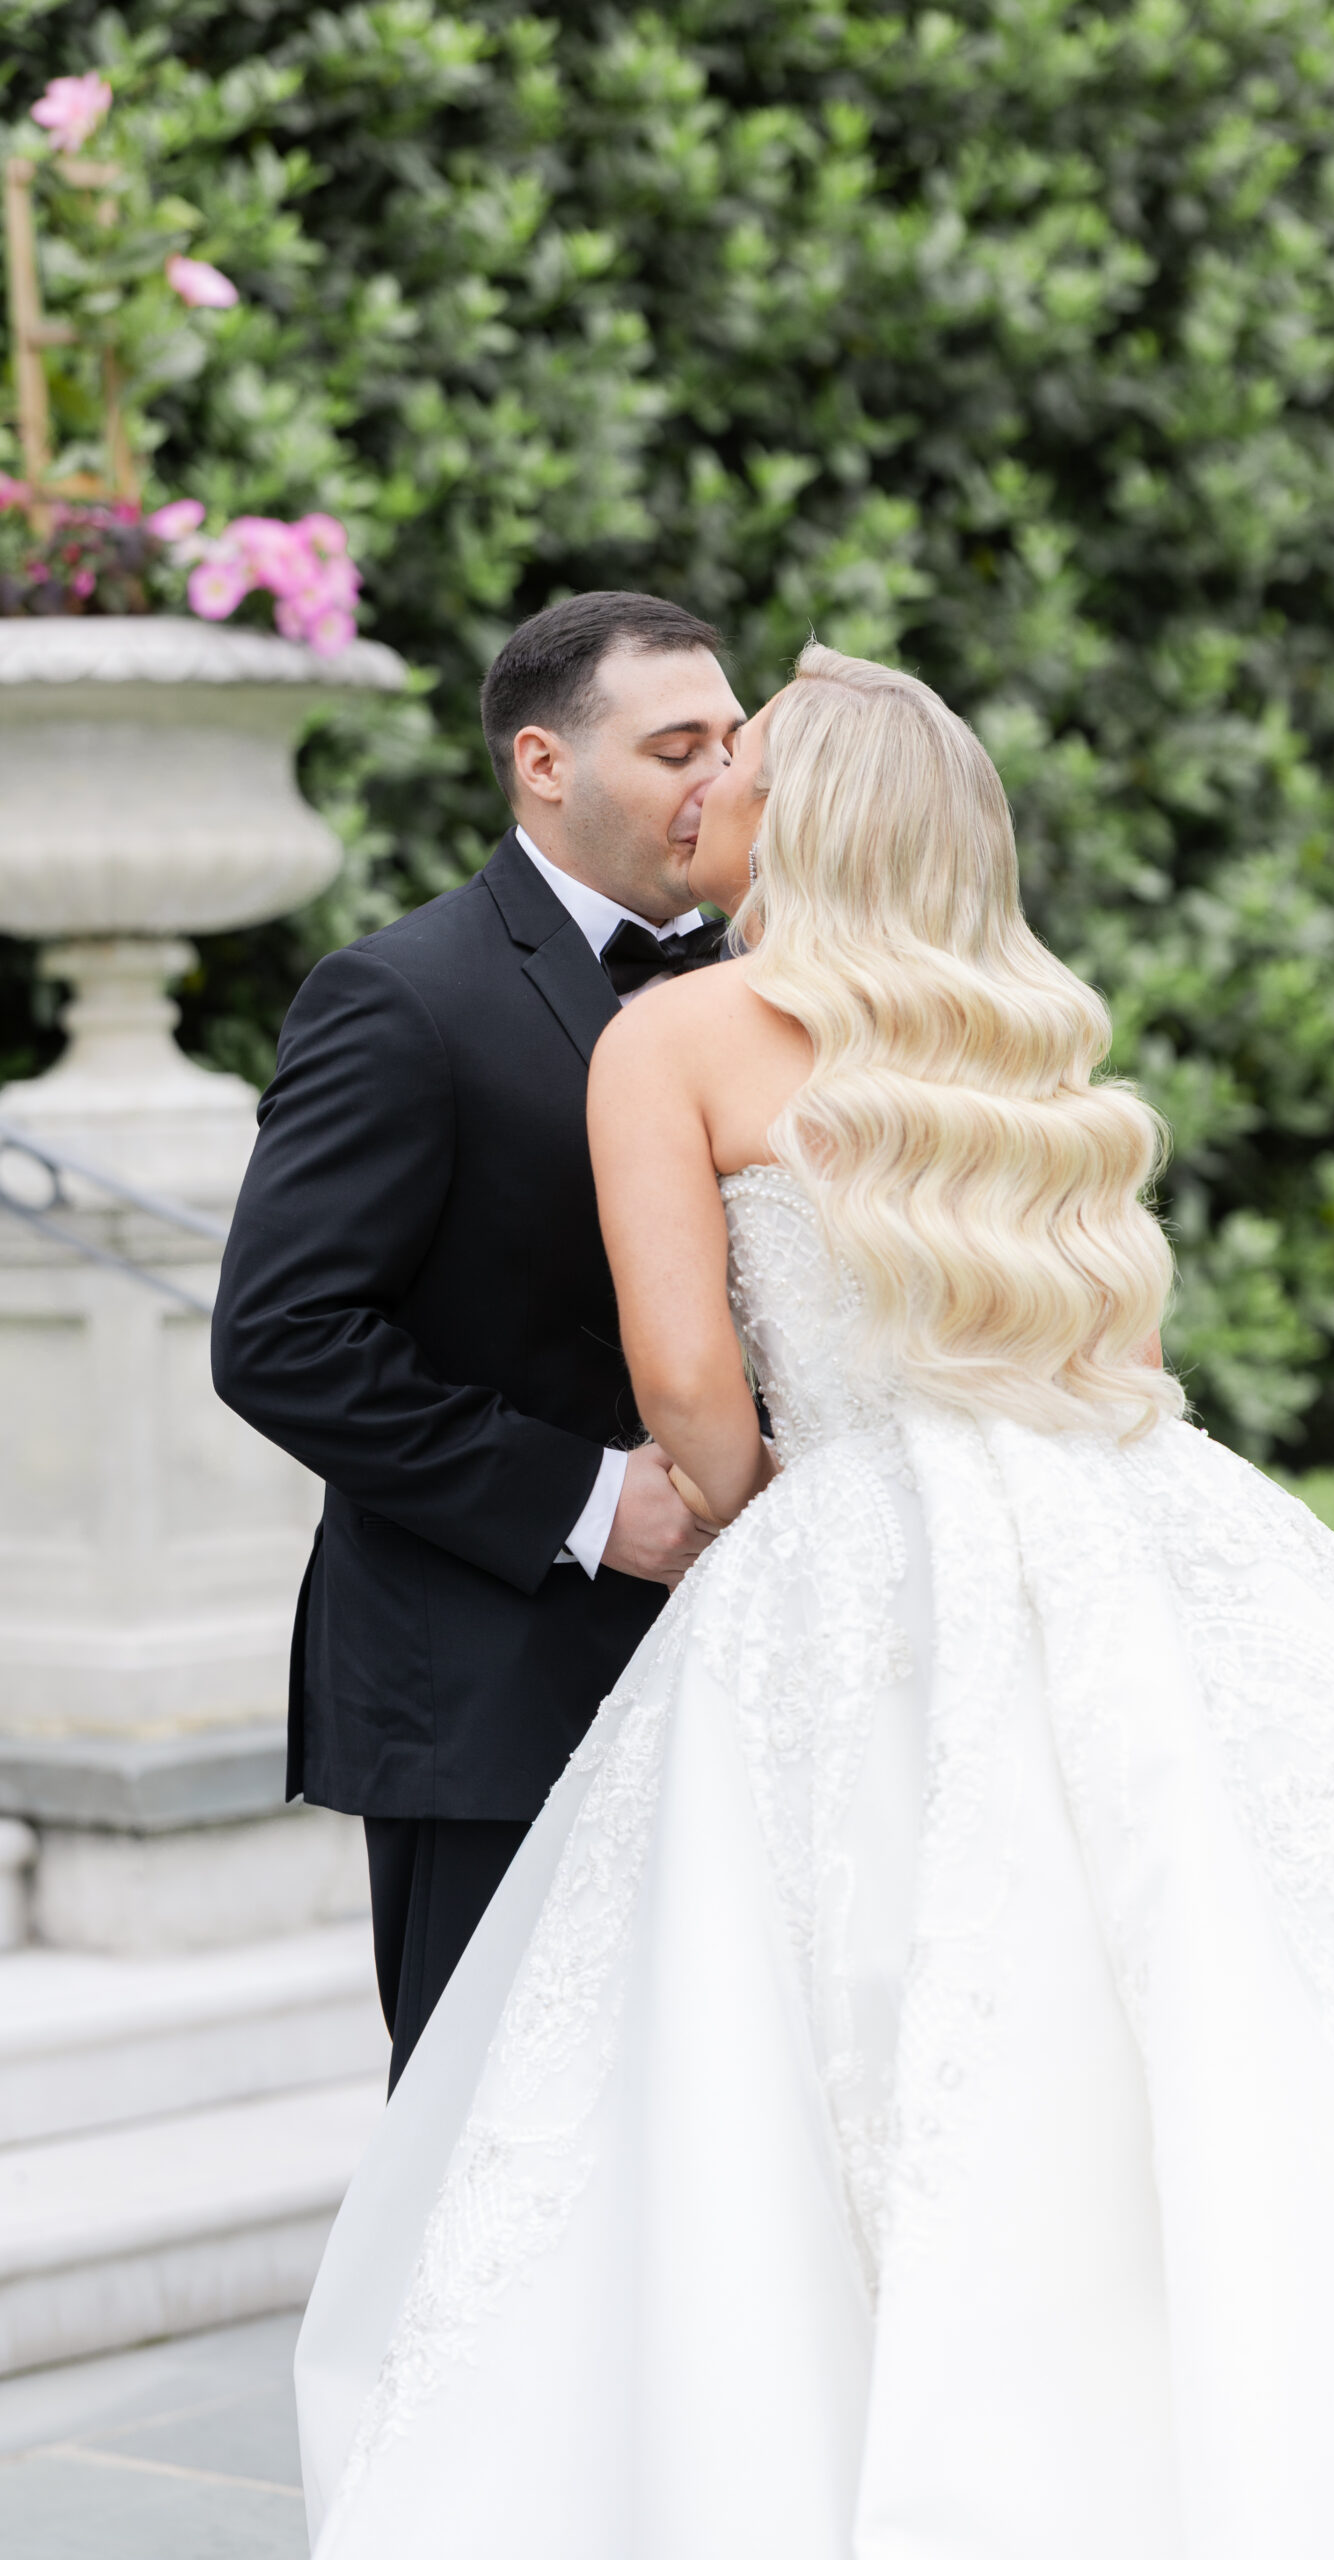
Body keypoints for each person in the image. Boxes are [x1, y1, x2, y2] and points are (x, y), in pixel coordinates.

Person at [296, 646, 1334, 2558]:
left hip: (845, 1537)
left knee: (841, 2025)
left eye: (749, 765)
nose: (710, 792)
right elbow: (1109, 1331)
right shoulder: (1030, 1029)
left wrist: (766, 1523)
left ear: (817, 820)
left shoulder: (681, 1038)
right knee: (1183, 1981)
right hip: (1118, 1513)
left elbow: (696, 1392)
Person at [212, 592, 745, 2088]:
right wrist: (590, 1501)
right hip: (490, 1688)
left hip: (743, 1657)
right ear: (544, 764)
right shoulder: (399, 997)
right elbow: (283, 1336)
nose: (721, 775)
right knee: (484, 2139)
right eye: (676, 745)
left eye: (733, 739)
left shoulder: (777, 985)